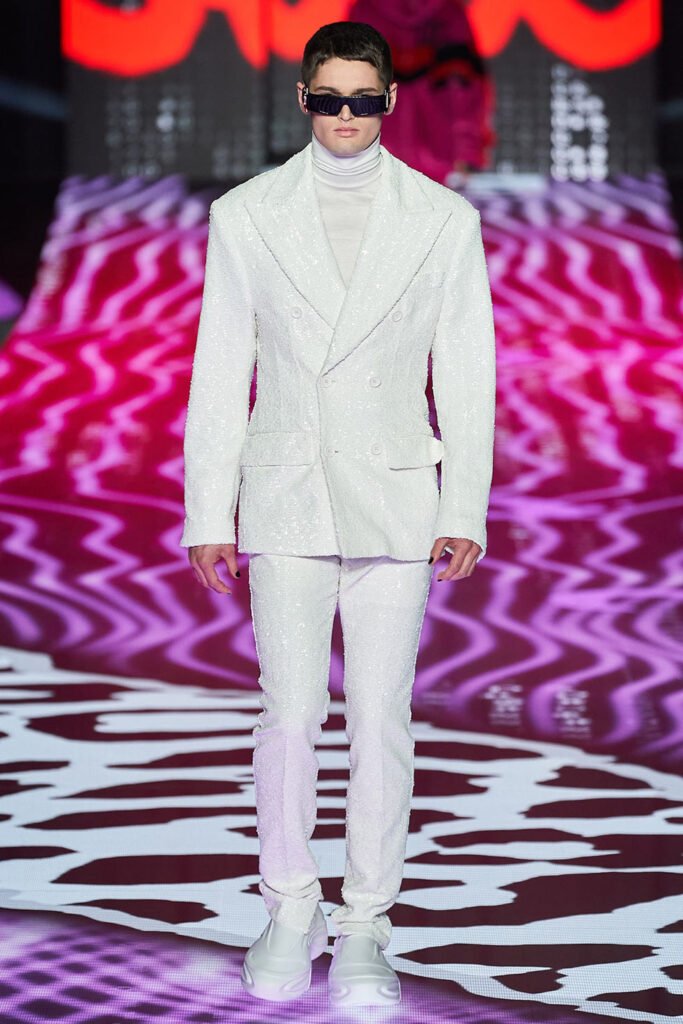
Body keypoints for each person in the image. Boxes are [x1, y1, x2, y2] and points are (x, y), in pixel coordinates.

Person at [180, 20, 496, 1008]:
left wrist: (465, 504)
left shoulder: (441, 220)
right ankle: (288, 907)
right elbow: (220, 367)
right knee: (288, 715)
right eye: (329, 99)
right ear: (304, 100)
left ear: (390, 101)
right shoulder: (246, 215)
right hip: (286, 491)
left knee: (378, 719)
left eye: (363, 99)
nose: (346, 116)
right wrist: (207, 511)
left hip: (396, 493)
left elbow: (468, 372)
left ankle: (365, 923)